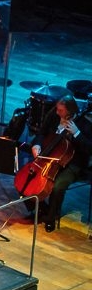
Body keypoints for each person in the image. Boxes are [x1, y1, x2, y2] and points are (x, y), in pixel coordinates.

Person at [27, 96, 91, 232]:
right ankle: (41, 209)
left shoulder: (84, 123)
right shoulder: (54, 115)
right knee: (28, 177)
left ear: (69, 112)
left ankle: (51, 217)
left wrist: (77, 133)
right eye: (57, 109)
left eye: (60, 110)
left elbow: (89, 149)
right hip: (50, 156)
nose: (57, 112)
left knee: (58, 186)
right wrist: (37, 144)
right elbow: (41, 132)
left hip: (73, 163)